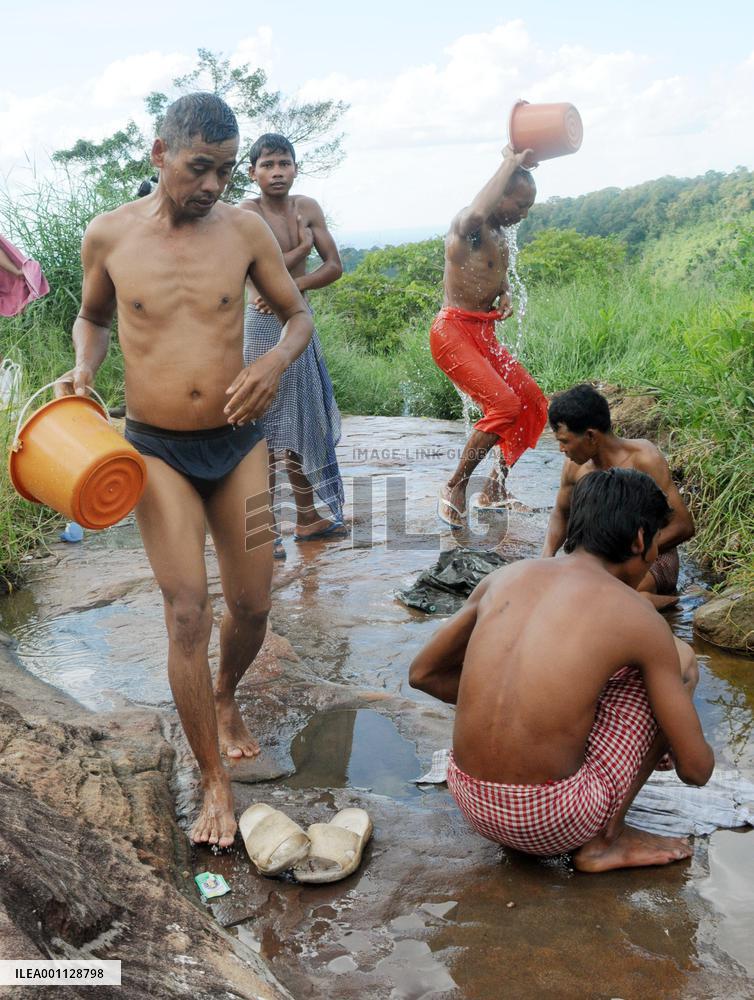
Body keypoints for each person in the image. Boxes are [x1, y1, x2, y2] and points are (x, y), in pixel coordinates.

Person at [55, 93, 314, 848]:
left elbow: (297, 317)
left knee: (254, 604)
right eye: (201, 167)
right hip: (155, 447)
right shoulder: (107, 236)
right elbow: (94, 316)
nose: (213, 185)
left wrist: (271, 360)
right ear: (159, 154)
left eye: (226, 170)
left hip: (239, 443)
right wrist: (82, 366)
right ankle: (212, 779)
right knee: (187, 611)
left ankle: (225, 692)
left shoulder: (244, 230)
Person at [410, 468, 714, 872]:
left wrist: (535, 712)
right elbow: (696, 771)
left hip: (470, 800)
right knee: (681, 660)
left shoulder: (504, 578)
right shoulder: (635, 615)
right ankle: (605, 840)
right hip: (552, 819)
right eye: (657, 540)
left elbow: (423, 674)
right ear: (640, 539)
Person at [430, 145, 548, 527]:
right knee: (504, 407)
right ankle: (455, 486)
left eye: (529, 207)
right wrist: (510, 161)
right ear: (500, 194)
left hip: (483, 334)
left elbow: (497, 276)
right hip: (452, 333)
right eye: (520, 204)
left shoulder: (499, 234)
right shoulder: (470, 226)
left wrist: (506, 293)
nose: (523, 214)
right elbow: (478, 211)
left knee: (531, 402)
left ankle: (495, 487)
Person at [241, 133, 345, 559]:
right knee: (264, 434)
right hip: (262, 327)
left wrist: (295, 285)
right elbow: (253, 266)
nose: (277, 171)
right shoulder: (245, 214)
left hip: (298, 323)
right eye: (268, 165)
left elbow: (335, 266)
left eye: (284, 163)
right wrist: (302, 249)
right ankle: (265, 532)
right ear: (253, 173)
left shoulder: (308, 208)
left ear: (295, 167)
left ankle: (307, 517)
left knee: (302, 425)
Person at [542, 383, 694, 609]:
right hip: (600, 561)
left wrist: (627, 555)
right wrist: (547, 558)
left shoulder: (644, 459)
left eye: (565, 441)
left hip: (651, 557)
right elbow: (561, 514)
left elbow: (683, 526)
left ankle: (683, 602)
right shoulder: (574, 468)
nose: (562, 450)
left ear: (591, 436)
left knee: (623, 600)